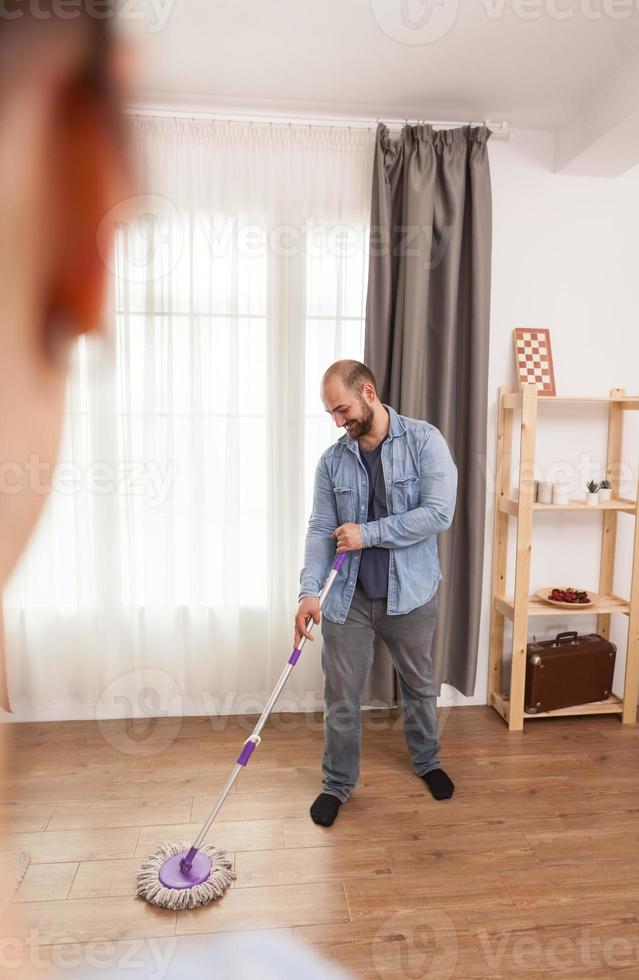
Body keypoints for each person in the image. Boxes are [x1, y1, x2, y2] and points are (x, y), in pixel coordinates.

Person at [295, 360, 458, 826]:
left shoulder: (425, 441)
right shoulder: (332, 461)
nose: (337, 421)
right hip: (348, 599)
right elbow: (320, 529)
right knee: (341, 694)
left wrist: (368, 533)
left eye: (341, 409)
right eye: (330, 413)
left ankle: (427, 760)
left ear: (368, 392)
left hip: (412, 593)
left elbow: (438, 513)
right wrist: (308, 593)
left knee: (419, 685)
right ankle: (337, 783)